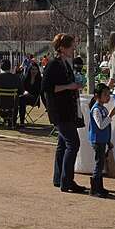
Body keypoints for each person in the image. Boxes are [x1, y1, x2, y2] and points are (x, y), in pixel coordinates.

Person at [42, 33, 85, 193]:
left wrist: (75, 85)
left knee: (62, 145)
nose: (73, 49)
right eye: (71, 46)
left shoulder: (66, 64)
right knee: (73, 144)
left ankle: (59, 178)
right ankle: (67, 181)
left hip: (67, 109)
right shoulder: (53, 64)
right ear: (62, 48)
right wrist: (69, 86)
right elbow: (47, 88)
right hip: (60, 111)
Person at [88, 83, 115, 197]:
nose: (108, 97)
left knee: (100, 164)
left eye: (108, 94)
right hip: (97, 140)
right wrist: (111, 115)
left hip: (102, 140)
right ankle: (94, 188)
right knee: (99, 164)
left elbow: (106, 127)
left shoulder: (103, 108)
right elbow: (101, 125)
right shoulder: (96, 109)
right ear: (97, 96)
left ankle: (99, 187)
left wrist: (108, 141)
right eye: (105, 94)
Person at [19, 61, 42, 128]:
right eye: (32, 69)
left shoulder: (40, 79)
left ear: (38, 70)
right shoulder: (25, 78)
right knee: (21, 100)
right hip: (24, 97)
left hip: (34, 99)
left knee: (22, 99)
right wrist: (25, 92)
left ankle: (21, 121)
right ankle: (15, 121)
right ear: (29, 70)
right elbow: (21, 89)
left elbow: (42, 93)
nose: (34, 71)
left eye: (35, 69)